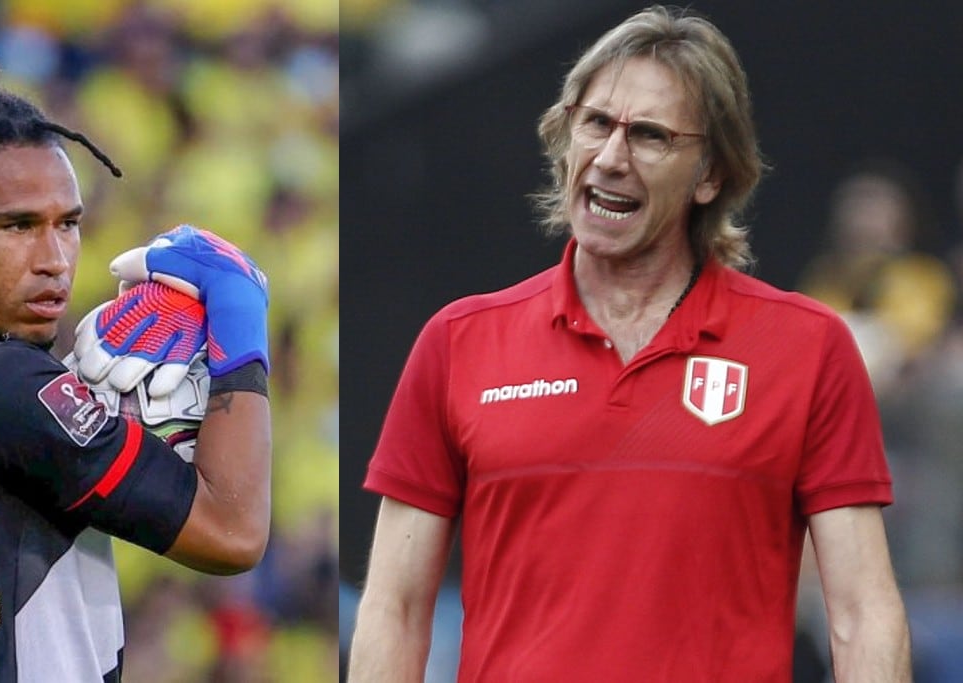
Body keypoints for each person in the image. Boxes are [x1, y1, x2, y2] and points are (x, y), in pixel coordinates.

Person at [349, 6, 910, 682]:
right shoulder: (458, 341)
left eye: (650, 136)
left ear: (710, 174)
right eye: (596, 124)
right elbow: (395, 608)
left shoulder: (809, 348)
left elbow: (861, 614)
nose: (612, 158)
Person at [0, 25, 272, 681]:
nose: (54, 260)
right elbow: (233, 533)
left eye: (67, 224)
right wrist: (239, 313)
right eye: (16, 225)